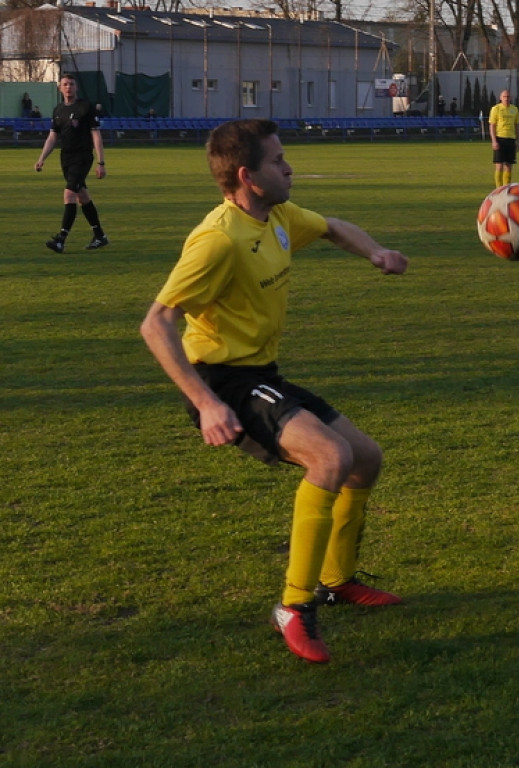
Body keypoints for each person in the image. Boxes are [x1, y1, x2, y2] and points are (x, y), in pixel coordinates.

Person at [139, 119, 408, 664]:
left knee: (366, 459)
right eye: (278, 161)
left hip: (264, 373)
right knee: (331, 457)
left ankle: (335, 581)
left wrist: (375, 252)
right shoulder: (217, 240)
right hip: (224, 381)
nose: (288, 168)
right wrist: (207, 403)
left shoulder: (280, 216)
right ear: (248, 176)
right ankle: (293, 606)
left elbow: (332, 226)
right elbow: (156, 323)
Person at [34, 73, 108, 254]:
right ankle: (100, 236)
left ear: (76, 87)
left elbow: (96, 134)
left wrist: (101, 162)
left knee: (69, 194)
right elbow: (53, 137)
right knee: (82, 196)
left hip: (82, 157)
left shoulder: (85, 107)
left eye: (72, 84)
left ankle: (61, 239)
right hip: (65, 158)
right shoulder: (58, 110)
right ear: (60, 88)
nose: (68, 87)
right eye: (65, 84)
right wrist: (42, 158)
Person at [489, 90, 519, 189]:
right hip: (500, 139)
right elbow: (492, 126)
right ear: (500, 98)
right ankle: (498, 189)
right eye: (504, 97)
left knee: (509, 166)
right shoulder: (496, 109)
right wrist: (494, 140)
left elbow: (518, 126)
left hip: (511, 139)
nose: (506, 98)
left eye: (508, 96)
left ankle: (506, 188)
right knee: (499, 165)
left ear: (510, 98)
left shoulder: (514, 109)